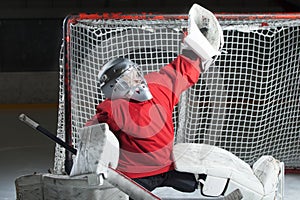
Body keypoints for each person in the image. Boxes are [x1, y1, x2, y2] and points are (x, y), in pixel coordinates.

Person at [86, 3, 223, 197]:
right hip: (136, 177)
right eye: (127, 79)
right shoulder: (112, 110)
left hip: (167, 168)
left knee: (206, 176)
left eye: (134, 74)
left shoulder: (156, 88)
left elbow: (181, 69)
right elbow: (91, 136)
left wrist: (196, 44)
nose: (136, 81)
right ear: (114, 89)